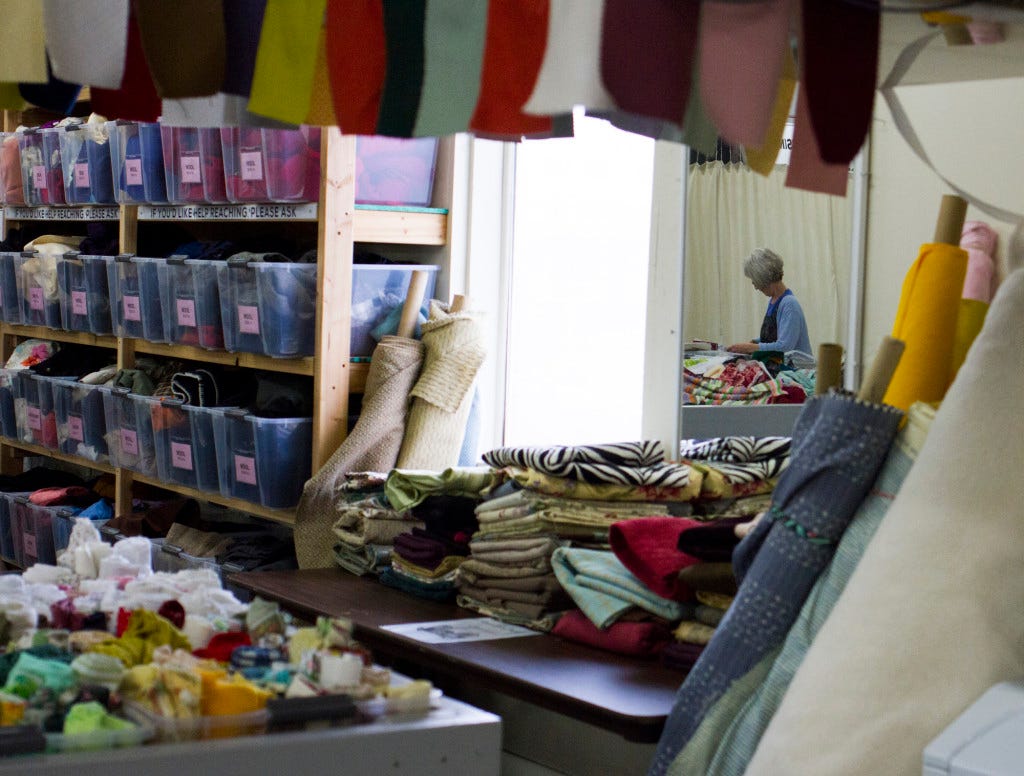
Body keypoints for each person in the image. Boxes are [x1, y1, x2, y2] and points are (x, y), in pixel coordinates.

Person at [727, 248, 812, 355]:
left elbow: (785, 347)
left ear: (763, 277)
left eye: (755, 281)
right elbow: (774, 336)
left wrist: (752, 348)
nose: (756, 287)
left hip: (796, 369)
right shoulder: (774, 301)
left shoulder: (790, 304)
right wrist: (755, 342)